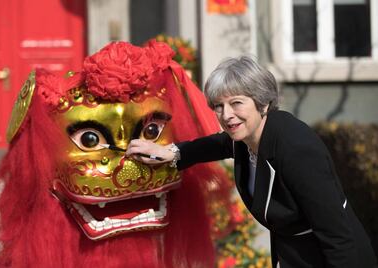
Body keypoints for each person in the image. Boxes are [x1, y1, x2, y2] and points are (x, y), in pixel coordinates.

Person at [126, 55, 378, 268]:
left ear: (263, 102)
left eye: (236, 103)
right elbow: (219, 143)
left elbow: (337, 236)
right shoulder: (246, 137)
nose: (226, 115)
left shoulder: (296, 149)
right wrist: (173, 153)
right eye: (218, 106)